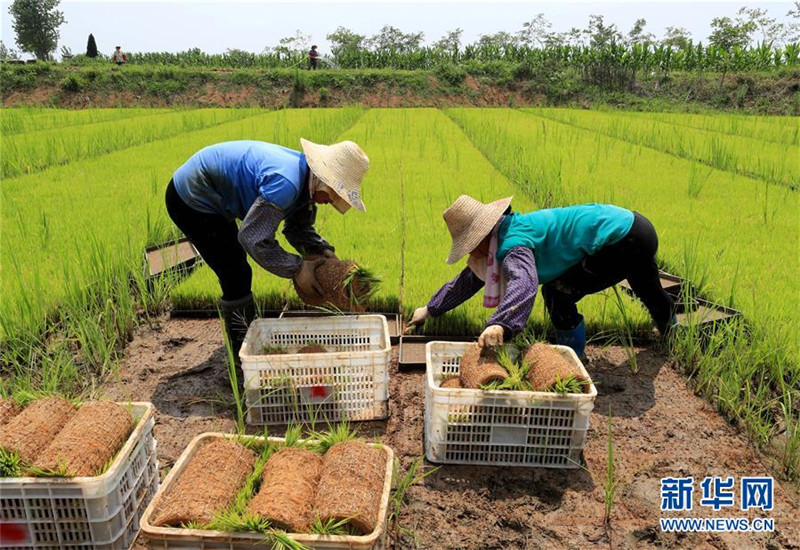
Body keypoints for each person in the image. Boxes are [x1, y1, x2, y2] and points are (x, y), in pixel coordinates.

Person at [165, 139, 369, 360]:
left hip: (213, 191)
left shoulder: (306, 182)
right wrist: (297, 269)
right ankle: (242, 350)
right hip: (191, 197)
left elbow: (298, 228)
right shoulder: (286, 184)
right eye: (335, 193)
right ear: (325, 182)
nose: (331, 201)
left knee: (234, 263)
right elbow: (253, 238)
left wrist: (321, 250)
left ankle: (246, 339)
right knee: (234, 270)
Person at [407, 195, 676, 357]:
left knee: (558, 292)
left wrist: (500, 324)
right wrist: (430, 309)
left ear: (480, 236)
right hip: (635, 227)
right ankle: (673, 336)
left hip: (621, 240)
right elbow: (470, 279)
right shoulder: (505, 230)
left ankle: (572, 358)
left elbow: (525, 282)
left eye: (469, 244)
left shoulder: (512, 244)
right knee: (647, 288)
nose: (470, 251)